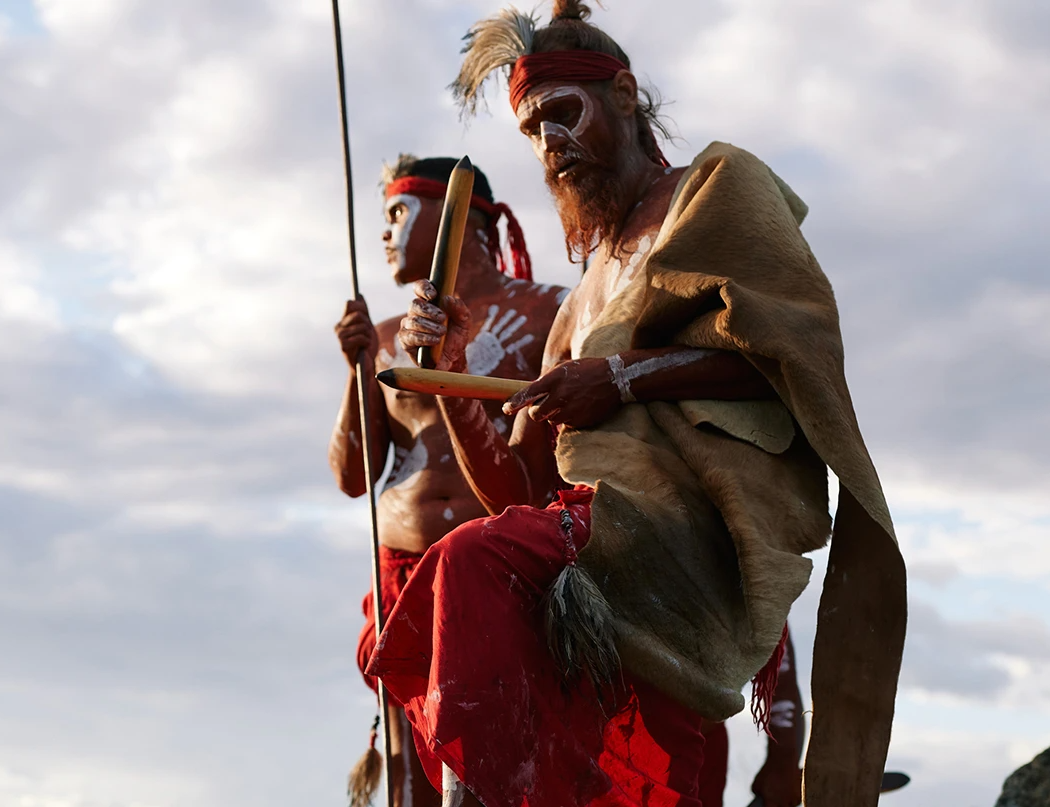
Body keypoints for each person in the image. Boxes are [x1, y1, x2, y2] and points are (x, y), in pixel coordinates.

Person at [377, 3, 906, 805]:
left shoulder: (716, 187)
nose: (550, 144)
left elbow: (797, 362)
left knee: (472, 560)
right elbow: (517, 490)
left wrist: (622, 379)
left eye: (563, 113)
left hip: (683, 542)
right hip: (598, 561)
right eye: (531, 130)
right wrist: (451, 376)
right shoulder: (574, 309)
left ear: (624, 95)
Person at [330, 154, 566, 807]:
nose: (385, 233)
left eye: (399, 213)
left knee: (498, 753)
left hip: (500, 564)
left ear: (455, 215)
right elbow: (353, 476)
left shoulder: (553, 312)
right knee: (411, 761)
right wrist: (357, 369)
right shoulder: (380, 338)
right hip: (401, 566)